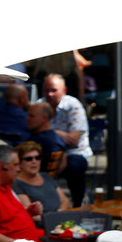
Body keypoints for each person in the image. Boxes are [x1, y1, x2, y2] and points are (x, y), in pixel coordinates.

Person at [39, 74, 90, 205]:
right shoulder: (39, 105)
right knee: (31, 163)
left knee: (74, 167)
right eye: (46, 90)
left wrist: (49, 131)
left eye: (54, 90)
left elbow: (73, 140)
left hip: (74, 152)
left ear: (64, 91)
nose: (49, 94)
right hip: (48, 152)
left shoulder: (73, 105)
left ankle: (78, 205)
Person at [12, 140, 70, 216]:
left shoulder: (45, 176)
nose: (34, 161)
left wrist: (58, 214)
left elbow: (65, 201)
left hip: (59, 220)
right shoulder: (16, 183)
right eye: (29, 159)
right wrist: (53, 219)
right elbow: (31, 214)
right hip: (41, 225)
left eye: (37, 158)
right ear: (20, 162)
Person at [24, 102, 65, 174]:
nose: (27, 119)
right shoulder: (57, 139)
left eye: (31, 116)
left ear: (44, 118)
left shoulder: (39, 142)